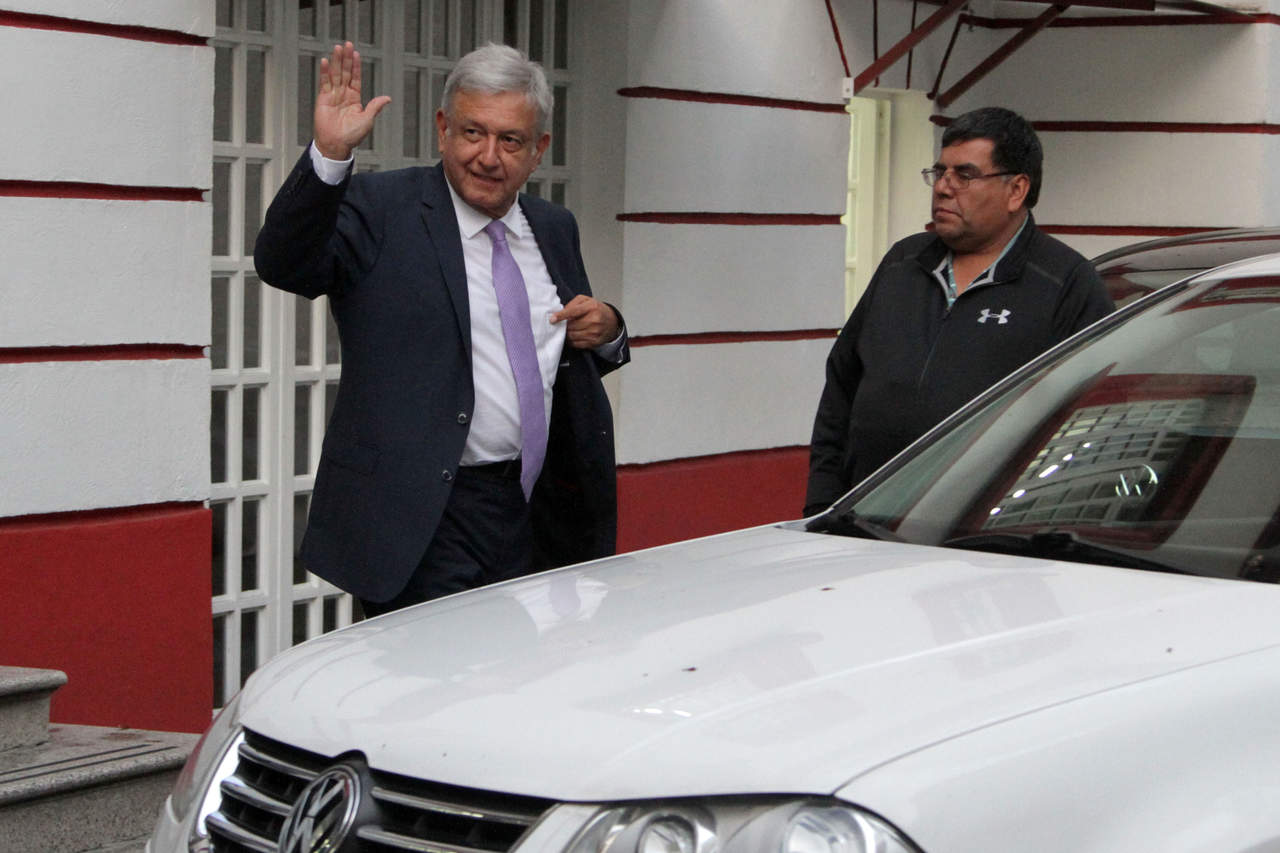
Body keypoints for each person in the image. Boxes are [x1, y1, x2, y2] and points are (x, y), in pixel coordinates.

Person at [255, 42, 628, 615]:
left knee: (524, 667)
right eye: (472, 132)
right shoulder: (382, 208)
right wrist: (329, 155)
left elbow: (559, 350)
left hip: (533, 510)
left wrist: (610, 330)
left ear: (538, 150)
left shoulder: (555, 227)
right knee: (439, 670)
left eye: (510, 140)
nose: (488, 156)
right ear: (442, 129)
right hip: (420, 516)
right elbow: (284, 263)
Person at [804, 106, 1113, 516]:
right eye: (940, 172)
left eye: (964, 175)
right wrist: (823, 503)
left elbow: (1091, 424)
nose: (943, 188)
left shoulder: (1065, 283)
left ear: (1016, 190)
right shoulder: (902, 263)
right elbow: (841, 388)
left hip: (986, 535)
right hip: (864, 519)